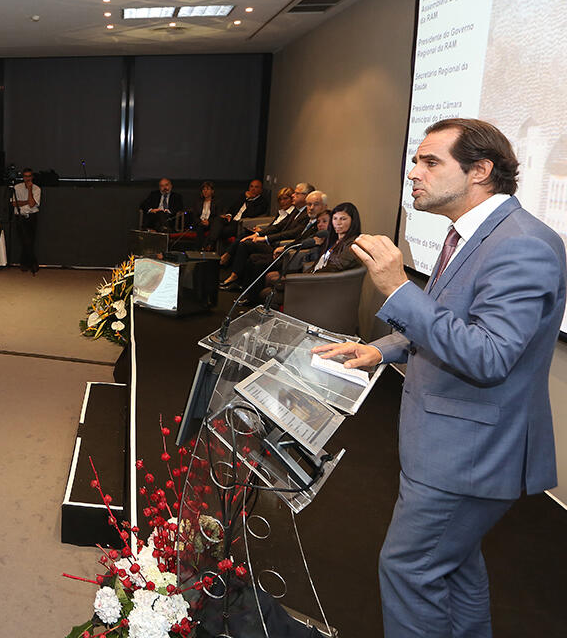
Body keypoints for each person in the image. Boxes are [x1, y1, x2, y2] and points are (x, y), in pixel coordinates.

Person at [313, 118, 566, 638]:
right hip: (447, 445)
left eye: (430, 162)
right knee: (455, 569)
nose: (413, 173)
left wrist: (396, 289)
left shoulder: (523, 245)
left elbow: (490, 355)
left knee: (410, 569)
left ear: (480, 171)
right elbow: (451, 318)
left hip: (469, 454)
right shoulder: (472, 235)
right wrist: (378, 349)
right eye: (416, 161)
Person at [221, 189, 326, 290]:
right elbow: (278, 226)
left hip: (287, 250)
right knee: (248, 246)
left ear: (324, 206)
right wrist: (259, 233)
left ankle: (244, 288)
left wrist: (277, 244)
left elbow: (292, 234)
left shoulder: (317, 223)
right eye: (309, 204)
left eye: (315, 204)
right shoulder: (299, 213)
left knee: (253, 255)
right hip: (281, 246)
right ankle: (241, 284)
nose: (311, 208)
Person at [208, 179, 267, 251]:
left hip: (239, 223)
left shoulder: (262, 202)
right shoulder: (243, 196)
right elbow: (232, 208)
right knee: (218, 219)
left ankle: (210, 245)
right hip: (231, 220)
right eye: (251, 187)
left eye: (256, 187)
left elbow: (251, 214)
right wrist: (229, 215)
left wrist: (250, 199)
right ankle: (211, 244)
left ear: (261, 190)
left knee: (219, 230)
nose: (253, 189)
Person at [11, 168, 41, 273]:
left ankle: (26, 263)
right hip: (20, 216)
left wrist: (29, 190)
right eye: (25, 176)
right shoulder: (16, 188)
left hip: (32, 216)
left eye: (29, 176)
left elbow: (32, 204)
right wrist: (26, 202)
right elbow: (14, 203)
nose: (27, 179)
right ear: (23, 177)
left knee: (30, 241)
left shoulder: (37, 189)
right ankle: (32, 263)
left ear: (32, 177)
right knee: (24, 241)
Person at [190, 181, 219, 250]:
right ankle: (199, 249)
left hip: (211, 224)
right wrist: (201, 221)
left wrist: (209, 222)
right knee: (200, 228)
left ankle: (205, 247)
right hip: (199, 223)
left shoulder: (217, 203)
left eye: (207, 189)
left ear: (212, 191)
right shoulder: (198, 202)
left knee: (213, 228)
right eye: (203, 189)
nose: (205, 191)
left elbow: (218, 216)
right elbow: (195, 216)